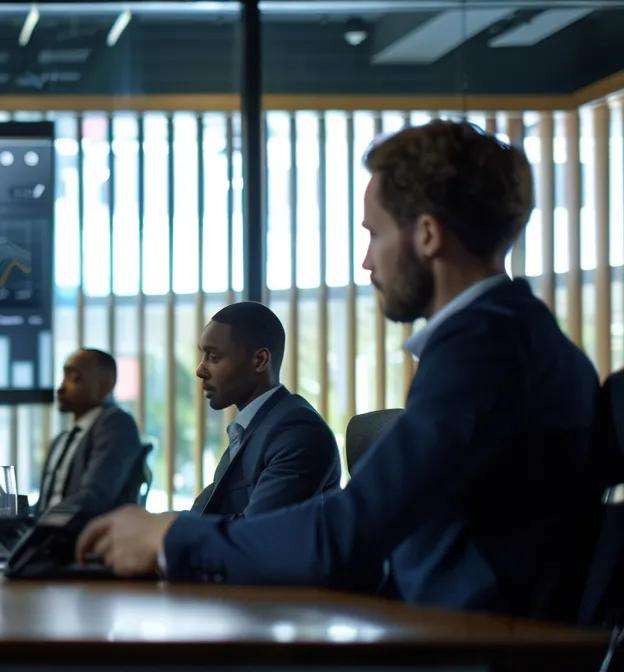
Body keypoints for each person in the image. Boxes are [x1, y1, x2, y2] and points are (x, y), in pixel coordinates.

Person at [77, 120, 604, 620]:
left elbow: (345, 535)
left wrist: (168, 538)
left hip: (466, 649)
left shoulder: (483, 353)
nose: (366, 262)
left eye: (374, 235)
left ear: (426, 235)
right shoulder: (514, 335)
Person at [190, 302, 341, 518]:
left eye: (213, 357)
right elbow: (208, 513)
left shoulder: (297, 432)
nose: (200, 370)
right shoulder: (253, 427)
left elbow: (256, 534)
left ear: (260, 360)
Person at [35, 349, 146, 527]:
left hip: (82, 540)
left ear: (106, 385)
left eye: (75, 378)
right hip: (47, 539)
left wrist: (43, 524)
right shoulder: (62, 440)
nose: (61, 387)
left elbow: (96, 496)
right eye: (64, 377)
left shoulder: (116, 424)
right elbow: (46, 503)